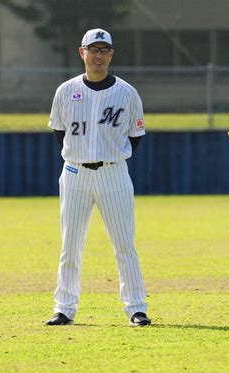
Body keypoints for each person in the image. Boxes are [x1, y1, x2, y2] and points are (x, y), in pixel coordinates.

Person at [45, 28, 150, 327]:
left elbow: (136, 135)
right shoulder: (66, 90)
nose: (99, 55)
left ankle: (136, 307)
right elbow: (59, 131)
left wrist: (110, 156)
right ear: (82, 53)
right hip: (75, 173)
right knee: (71, 245)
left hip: (113, 172)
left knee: (124, 244)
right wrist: (79, 156)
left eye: (104, 50)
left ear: (111, 55)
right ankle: (64, 308)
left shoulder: (127, 93)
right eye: (94, 49)